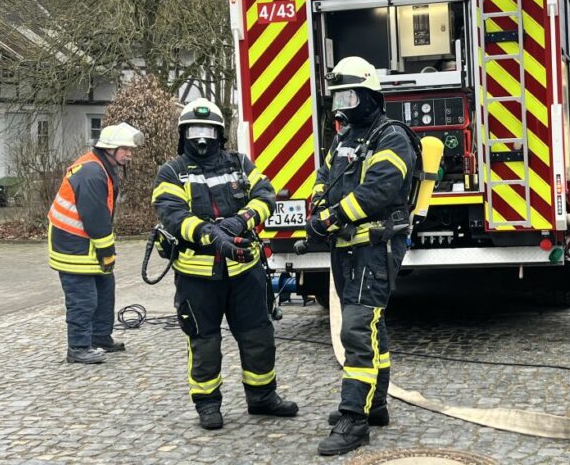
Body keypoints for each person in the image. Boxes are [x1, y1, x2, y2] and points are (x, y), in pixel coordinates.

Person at [151, 98, 298, 431]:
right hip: (197, 276)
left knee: (258, 336)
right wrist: (211, 235)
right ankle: (207, 404)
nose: (202, 138)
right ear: (183, 135)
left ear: (220, 133)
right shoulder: (171, 172)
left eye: (209, 131)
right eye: (194, 131)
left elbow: (265, 195)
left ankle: (262, 397)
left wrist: (240, 221)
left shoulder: (239, 163)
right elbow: (173, 215)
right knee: (204, 341)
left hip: (245, 271)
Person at [308, 56, 417, 456]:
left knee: (356, 328)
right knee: (371, 324)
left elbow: (379, 191)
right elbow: (325, 177)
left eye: (350, 96)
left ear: (370, 96)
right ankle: (376, 404)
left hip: (374, 246)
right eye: (339, 97)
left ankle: (354, 418)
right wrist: (319, 207)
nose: (344, 105)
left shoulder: (391, 137)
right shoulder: (344, 138)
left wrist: (333, 217)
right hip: (346, 248)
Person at [48, 122, 144, 364]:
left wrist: (105, 250)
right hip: (73, 246)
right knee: (83, 299)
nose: (130, 155)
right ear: (110, 149)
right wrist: (106, 250)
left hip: (84, 243)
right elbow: (95, 216)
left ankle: (100, 337)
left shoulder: (100, 166)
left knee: (104, 290)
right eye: (126, 149)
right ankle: (78, 347)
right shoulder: (92, 172)